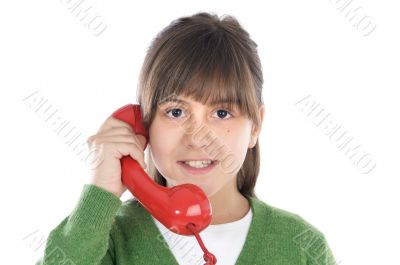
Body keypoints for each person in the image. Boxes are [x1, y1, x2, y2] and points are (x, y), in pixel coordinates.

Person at [35, 12, 337, 265]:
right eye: (176, 112)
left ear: (255, 127)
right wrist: (100, 194)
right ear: (143, 124)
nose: (197, 137)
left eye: (221, 113)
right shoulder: (108, 239)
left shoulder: (302, 246)